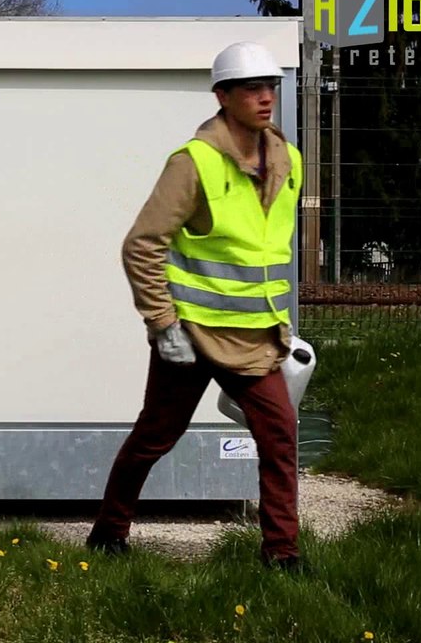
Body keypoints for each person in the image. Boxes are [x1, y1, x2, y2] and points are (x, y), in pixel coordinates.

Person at [86, 41, 305, 571]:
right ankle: (108, 533)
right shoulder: (194, 163)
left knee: (280, 439)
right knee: (154, 438)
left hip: (257, 338)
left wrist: (283, 323)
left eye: (270, 86)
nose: (265, 97)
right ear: (222, 96)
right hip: (192, 336)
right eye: (252, 88)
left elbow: (267, 253)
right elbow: (141, 245)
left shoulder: (290, 161)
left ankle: (282, 555)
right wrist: (163, 325)